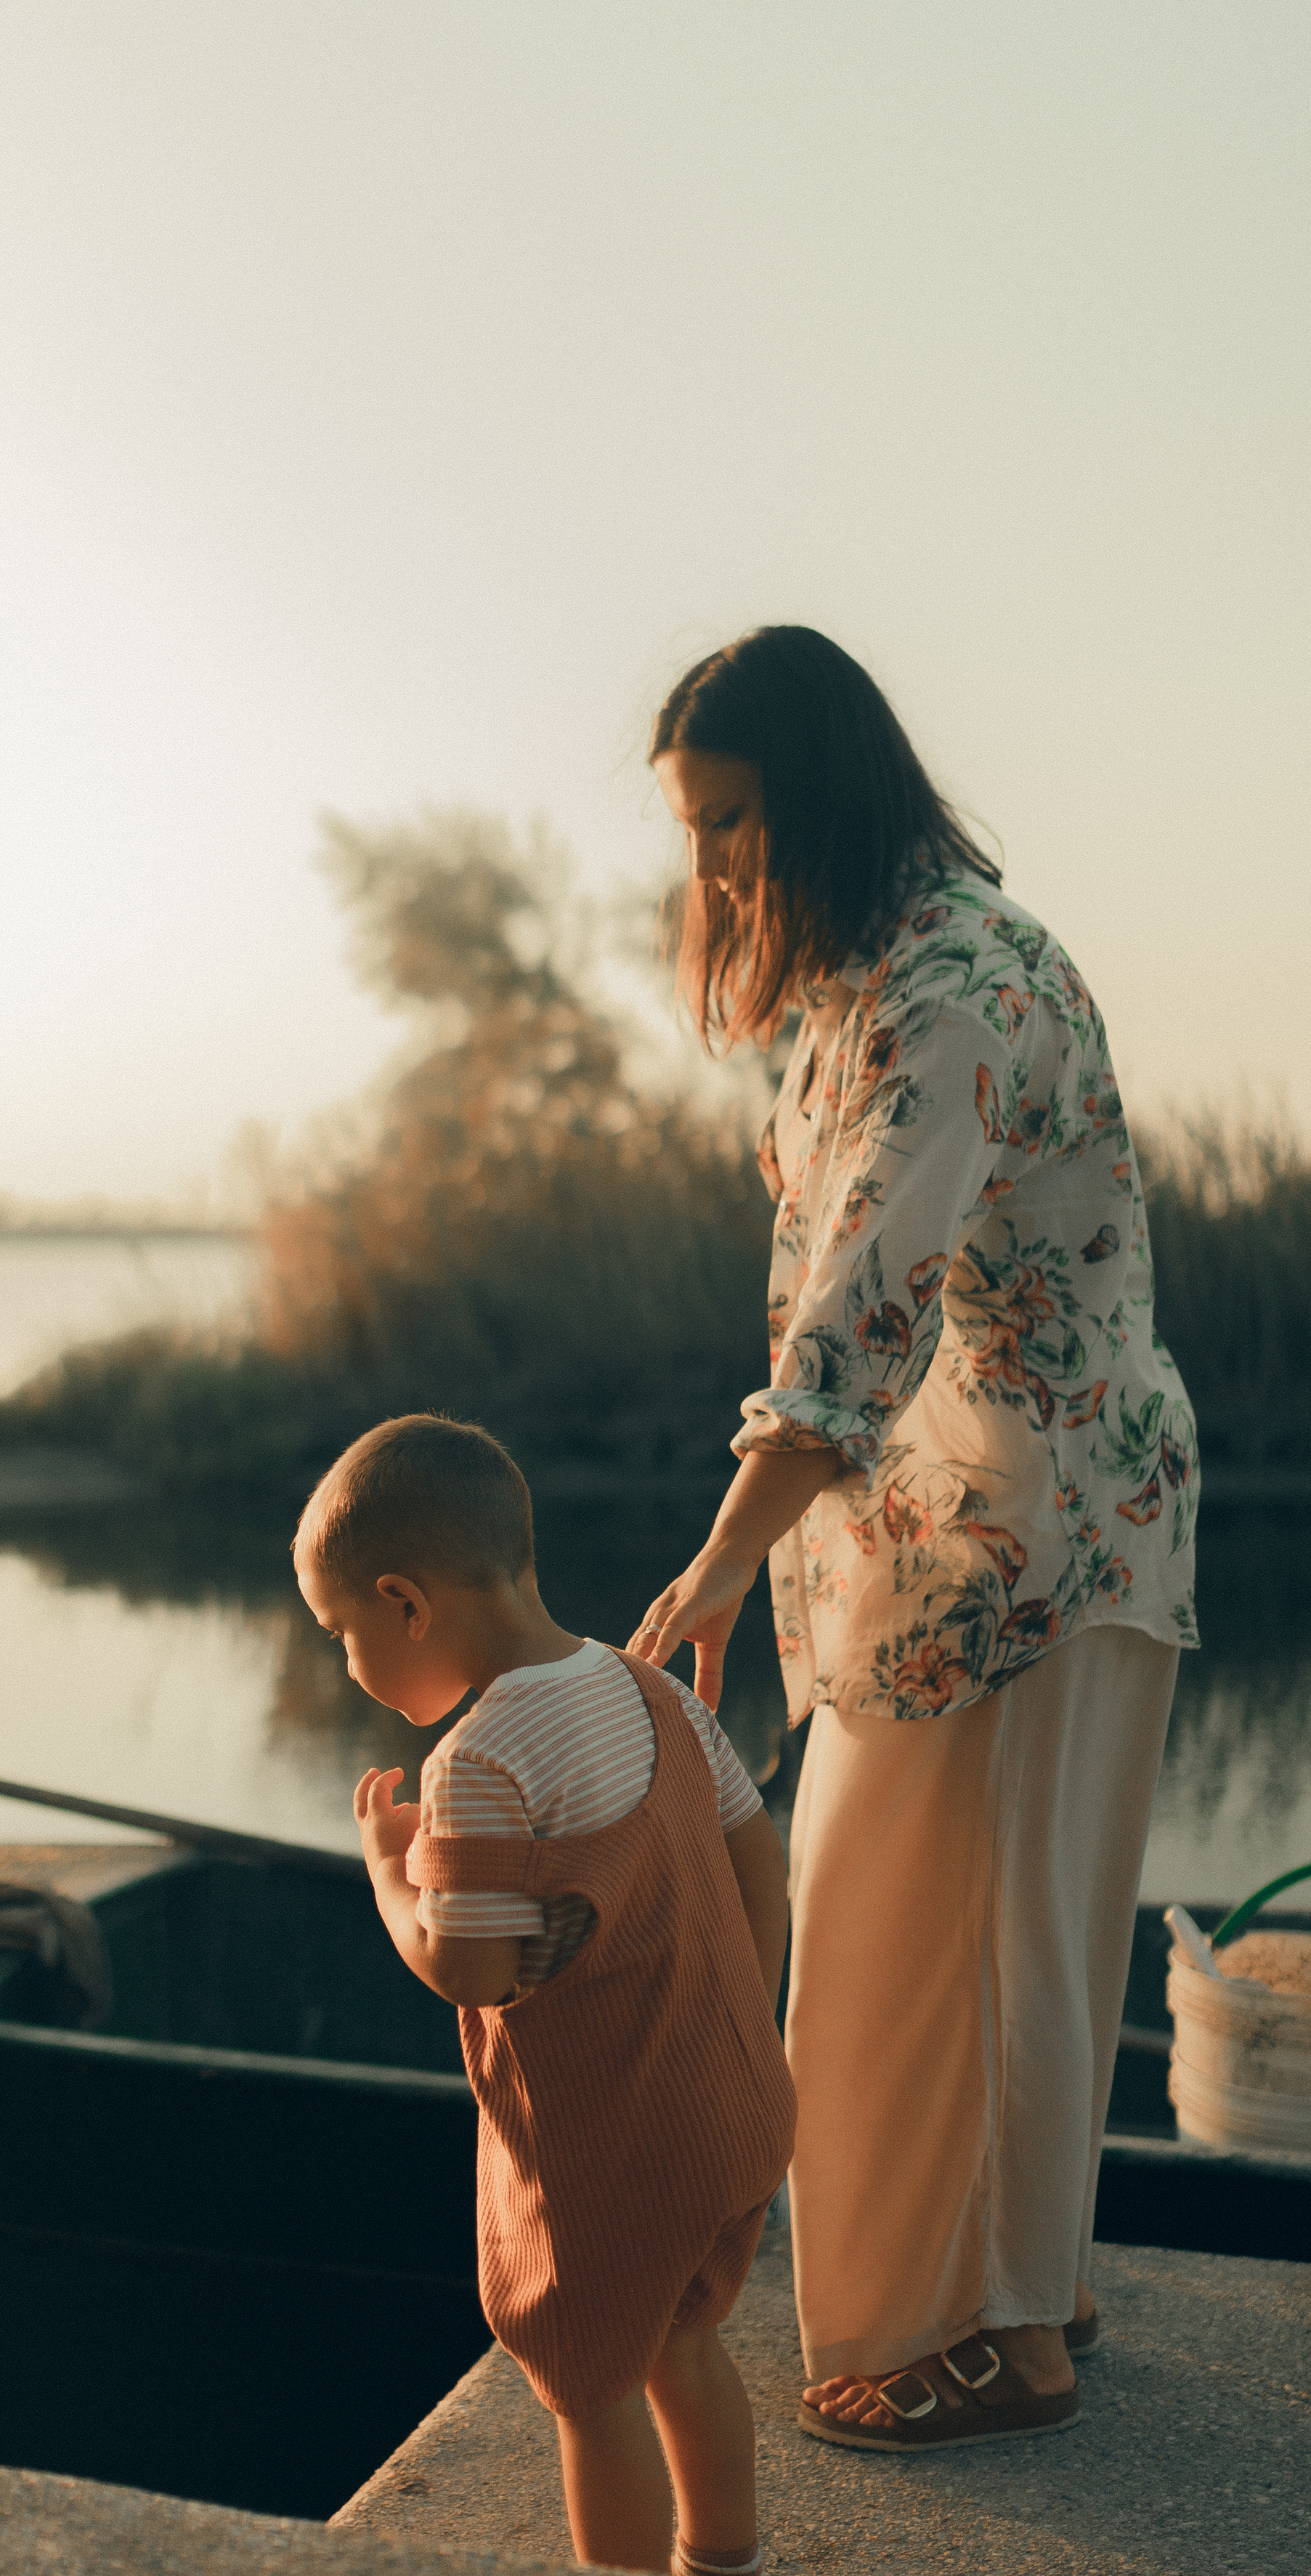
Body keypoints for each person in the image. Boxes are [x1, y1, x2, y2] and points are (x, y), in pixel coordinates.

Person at [628, 624, 1197, 2450]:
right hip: (995, 1508)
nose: (706, 866)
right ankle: (1022, 2311)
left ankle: (959, 2336)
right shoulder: (882, 968)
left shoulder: (954, 982)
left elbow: (856, 1319)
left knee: (920, 1929)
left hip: (1020, 1518)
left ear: (818, 790)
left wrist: (715, 1564)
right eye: (691, 829)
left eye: (726, 821)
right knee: (995, 1921)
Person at [293, 1414, 795, 2576]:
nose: (349, 1664)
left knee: (590, 2385)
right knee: (684, 2343)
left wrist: (385, 1867)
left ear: (407, 1604)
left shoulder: (478, 1764)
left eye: (342, 1635)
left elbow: (470, 1969)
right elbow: (754, 1849)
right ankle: (730, 2572)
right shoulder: (646, 1688)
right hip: (733, 2112)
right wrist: (747, 2020)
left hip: (610, 2155)